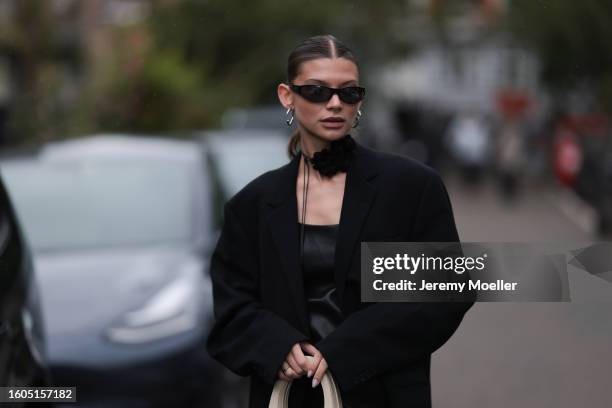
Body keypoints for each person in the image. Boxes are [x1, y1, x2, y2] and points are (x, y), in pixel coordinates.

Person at [205, 34, 474, 408]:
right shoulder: (252, 204)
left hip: (384, 394)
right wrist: (279, 346)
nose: (334, 104)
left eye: (348, 92)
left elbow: (443, 293)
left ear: (359, 101)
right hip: (289, 398)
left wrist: (342, 352)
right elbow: (232, 310)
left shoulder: (410, 188)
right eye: (316, 91)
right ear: (287, 96)